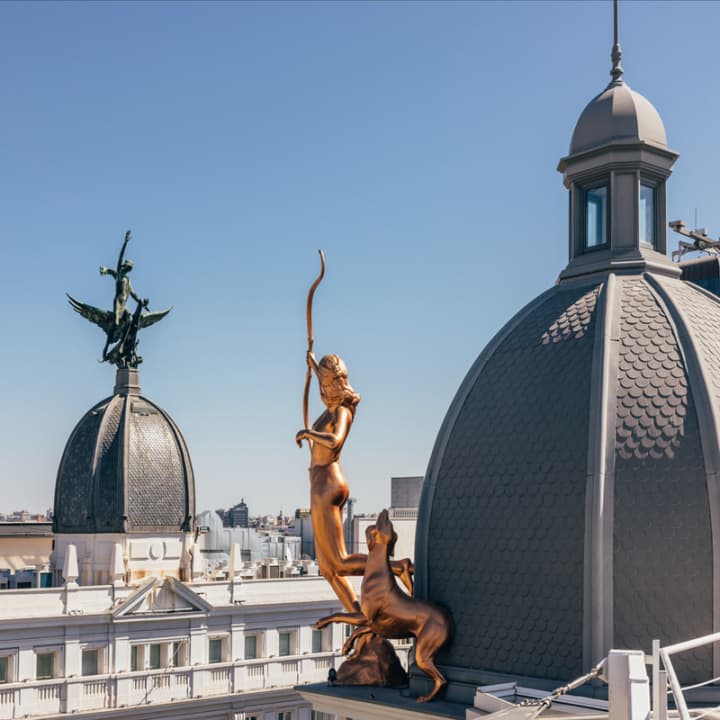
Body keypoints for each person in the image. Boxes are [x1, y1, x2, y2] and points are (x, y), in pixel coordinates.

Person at [296, 352, 413, 613]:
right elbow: (322, 383)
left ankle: (397, 567)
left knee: (339, 561)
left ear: (332, 383)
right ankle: (358, 615)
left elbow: (336, 441)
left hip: (328, 485)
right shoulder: (332, 406)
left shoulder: (342, 411)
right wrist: (313, 366)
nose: (322, 389)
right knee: (328, 569)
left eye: (325, 383)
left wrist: (308, 432)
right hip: (319, 484)